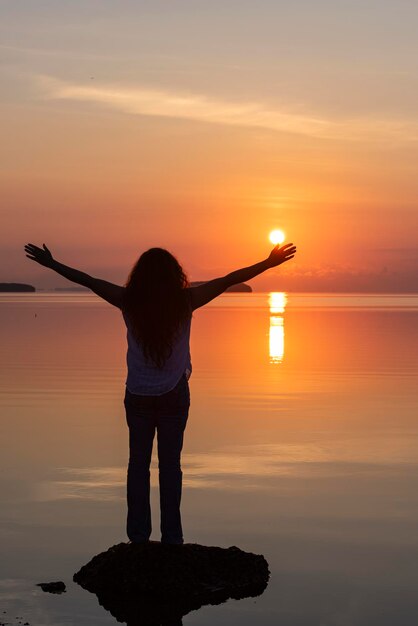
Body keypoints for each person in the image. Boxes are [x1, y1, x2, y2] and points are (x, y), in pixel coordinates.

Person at [24, 241, 297, 544]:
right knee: (170, 467)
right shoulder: (186, 300)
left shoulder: (128, 299)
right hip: (173, 395)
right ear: (173, 275)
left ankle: (139, 538)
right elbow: (228, 279)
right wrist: (267, 262)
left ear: (139, 276)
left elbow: (87, 280)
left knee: (137, 466)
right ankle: (172, 538)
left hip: (138, 395)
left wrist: (52, 264)